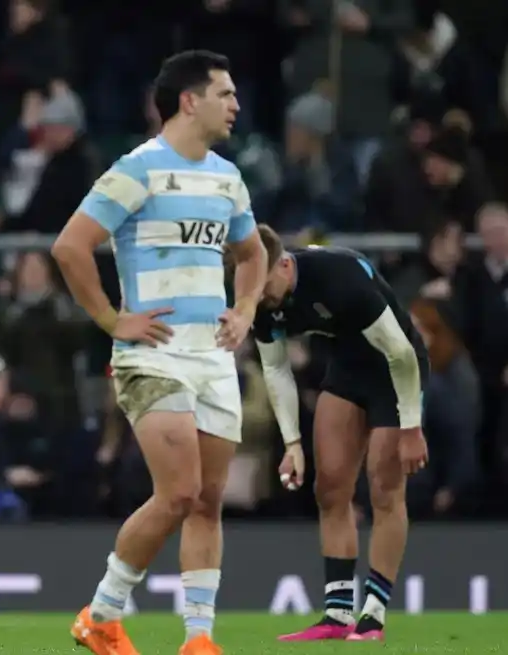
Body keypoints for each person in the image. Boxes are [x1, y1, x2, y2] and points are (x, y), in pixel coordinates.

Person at [50, 50, 266, 655]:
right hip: (155, 353)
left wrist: (245, 310)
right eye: (224, 93)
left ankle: (198, 639)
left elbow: (253, 254)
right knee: (177, 493)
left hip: (213, 354)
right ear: (189, 100)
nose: (236, 105)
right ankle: (101, 613)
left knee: (207, 500)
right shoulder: (136, 171)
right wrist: (112, 319)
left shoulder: (227, 176)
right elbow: (71, 246)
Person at [250, 225, 429, 643]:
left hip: (394, 367)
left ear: (283, 263)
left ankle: (373, 616)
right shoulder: (257, 298)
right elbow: (276, 369)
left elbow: (401, 353)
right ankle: (337, 614)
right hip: (348, 365)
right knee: (330, 486)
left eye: (261, 284)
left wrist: (412, 427)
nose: (258, 296)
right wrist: (292, 443)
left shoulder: (338, 277)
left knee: (385, 489)